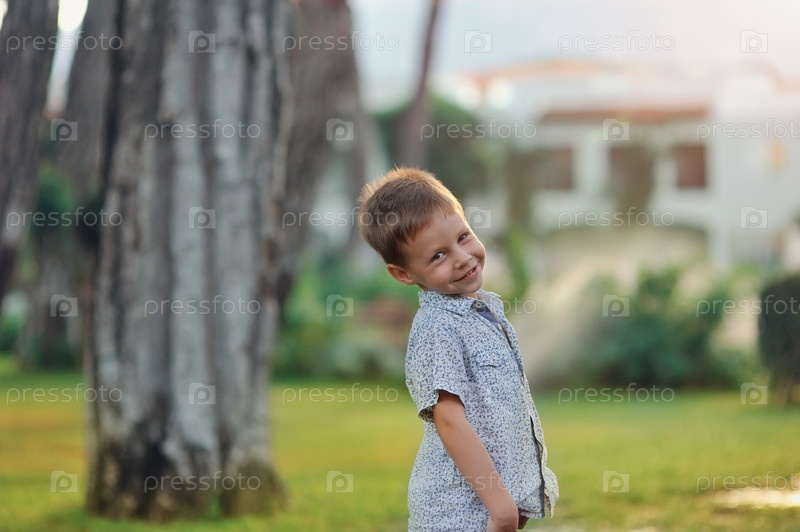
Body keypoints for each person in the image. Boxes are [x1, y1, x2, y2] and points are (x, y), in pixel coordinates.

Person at [356, 167, 558, 531]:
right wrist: (501, 507)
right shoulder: (438, 328)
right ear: (403, 274)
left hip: (490, 507)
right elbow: (449, 420)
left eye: (463, 237)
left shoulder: (482, 312)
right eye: (438, 256)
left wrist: (518, 494)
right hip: (459, 513)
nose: (462, 257)